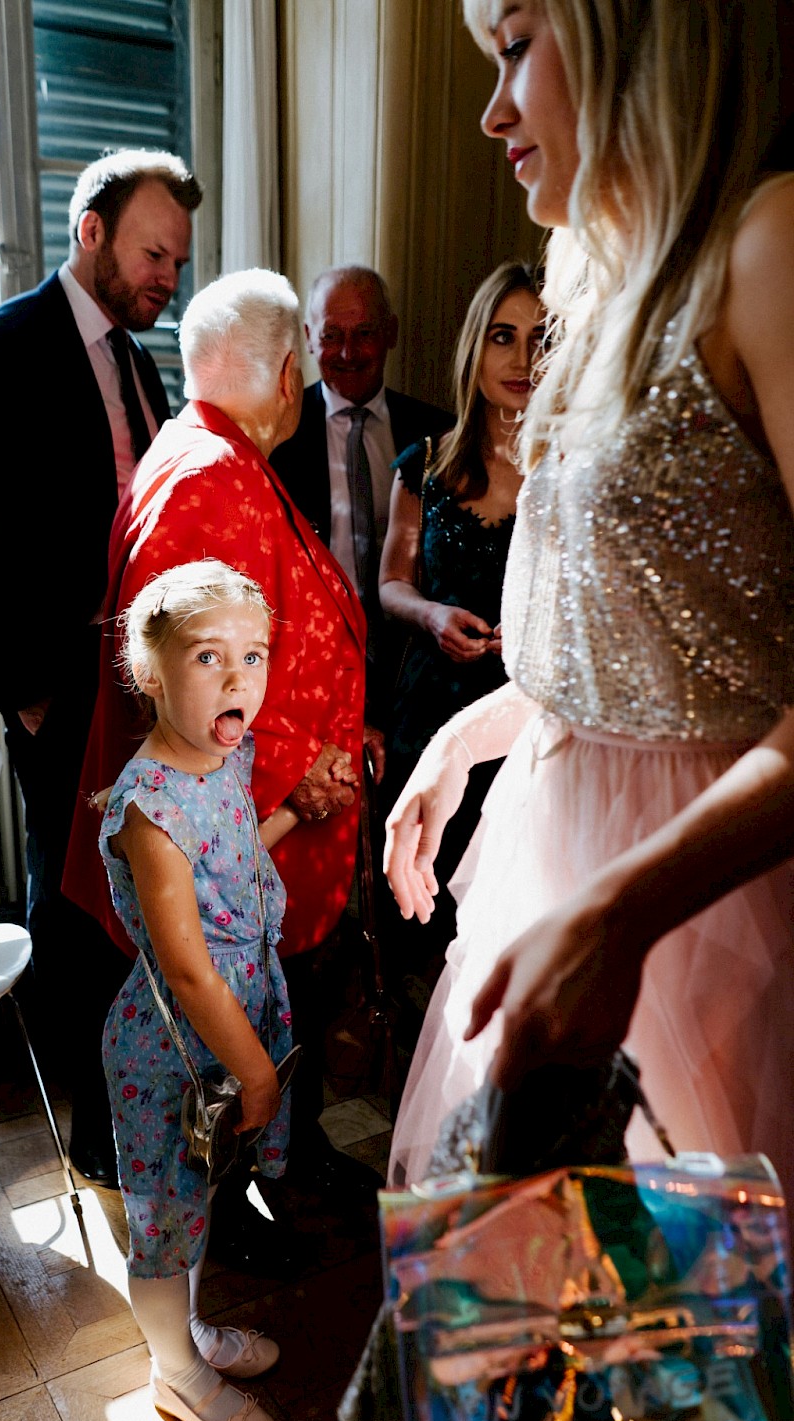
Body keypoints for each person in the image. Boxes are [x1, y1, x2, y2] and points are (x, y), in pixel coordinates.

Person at [386, 0, 794, 1207]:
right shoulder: (593, 284)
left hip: (703, 910)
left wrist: (622, 916)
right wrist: (460, 744)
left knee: (697, 1338)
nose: (490, 108)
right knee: (541, 1335)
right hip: (545, 857)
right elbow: (631, 657)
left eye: (515, 46)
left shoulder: (764, 247)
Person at [64, 268, 373, 1272]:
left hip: (268, 834)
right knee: (221, 1049)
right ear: (289, 375)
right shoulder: (209, 474)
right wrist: (293, 780)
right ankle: (229, 1223)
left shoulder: (214, 452)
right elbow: (184, 699)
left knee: (266, 1032)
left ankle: (271, 1177)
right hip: (228, 865)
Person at [0, 149, 203, 1186]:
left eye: (176, 263)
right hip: (54, 682)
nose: (164, 280)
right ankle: (96, 1131)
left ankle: (149, 1094)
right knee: (73, 906)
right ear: (89, 231)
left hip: (138, 686)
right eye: (151, 254)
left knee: (141, 898)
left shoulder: (143, 364)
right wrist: (32, 692)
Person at [100, 561, 296, 1421]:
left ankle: (184, 1335)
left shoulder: (223, 753)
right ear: (150, 674)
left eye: (252, 656)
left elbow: (226, 864)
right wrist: (256, 1071)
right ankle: (173, 1372)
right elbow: (187, 969)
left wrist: (295, 813)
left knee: (198, 1203)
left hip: (231, 1023)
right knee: (162, 1222)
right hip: (172, 1050)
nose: (237, 680)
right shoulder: (148, 808)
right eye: (208, 657)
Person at [378, 261, 545, 980]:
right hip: (431, 711)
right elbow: (389, 583)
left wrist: (540, 632)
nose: (521, 359)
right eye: (503, 337)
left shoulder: (571, 467)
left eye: (542, 339)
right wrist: (432, 613)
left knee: (509, 929)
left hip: (530, 723)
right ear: (474, 348)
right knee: (425, 919)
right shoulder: (425, 464)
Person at [270, 265, 452, 719]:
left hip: (415, 667)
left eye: (364, 333)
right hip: (306, 674)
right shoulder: (275, 436)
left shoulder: (439, 437)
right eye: (332, 336)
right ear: (310, 338)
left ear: (390, 332)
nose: (348, 353)